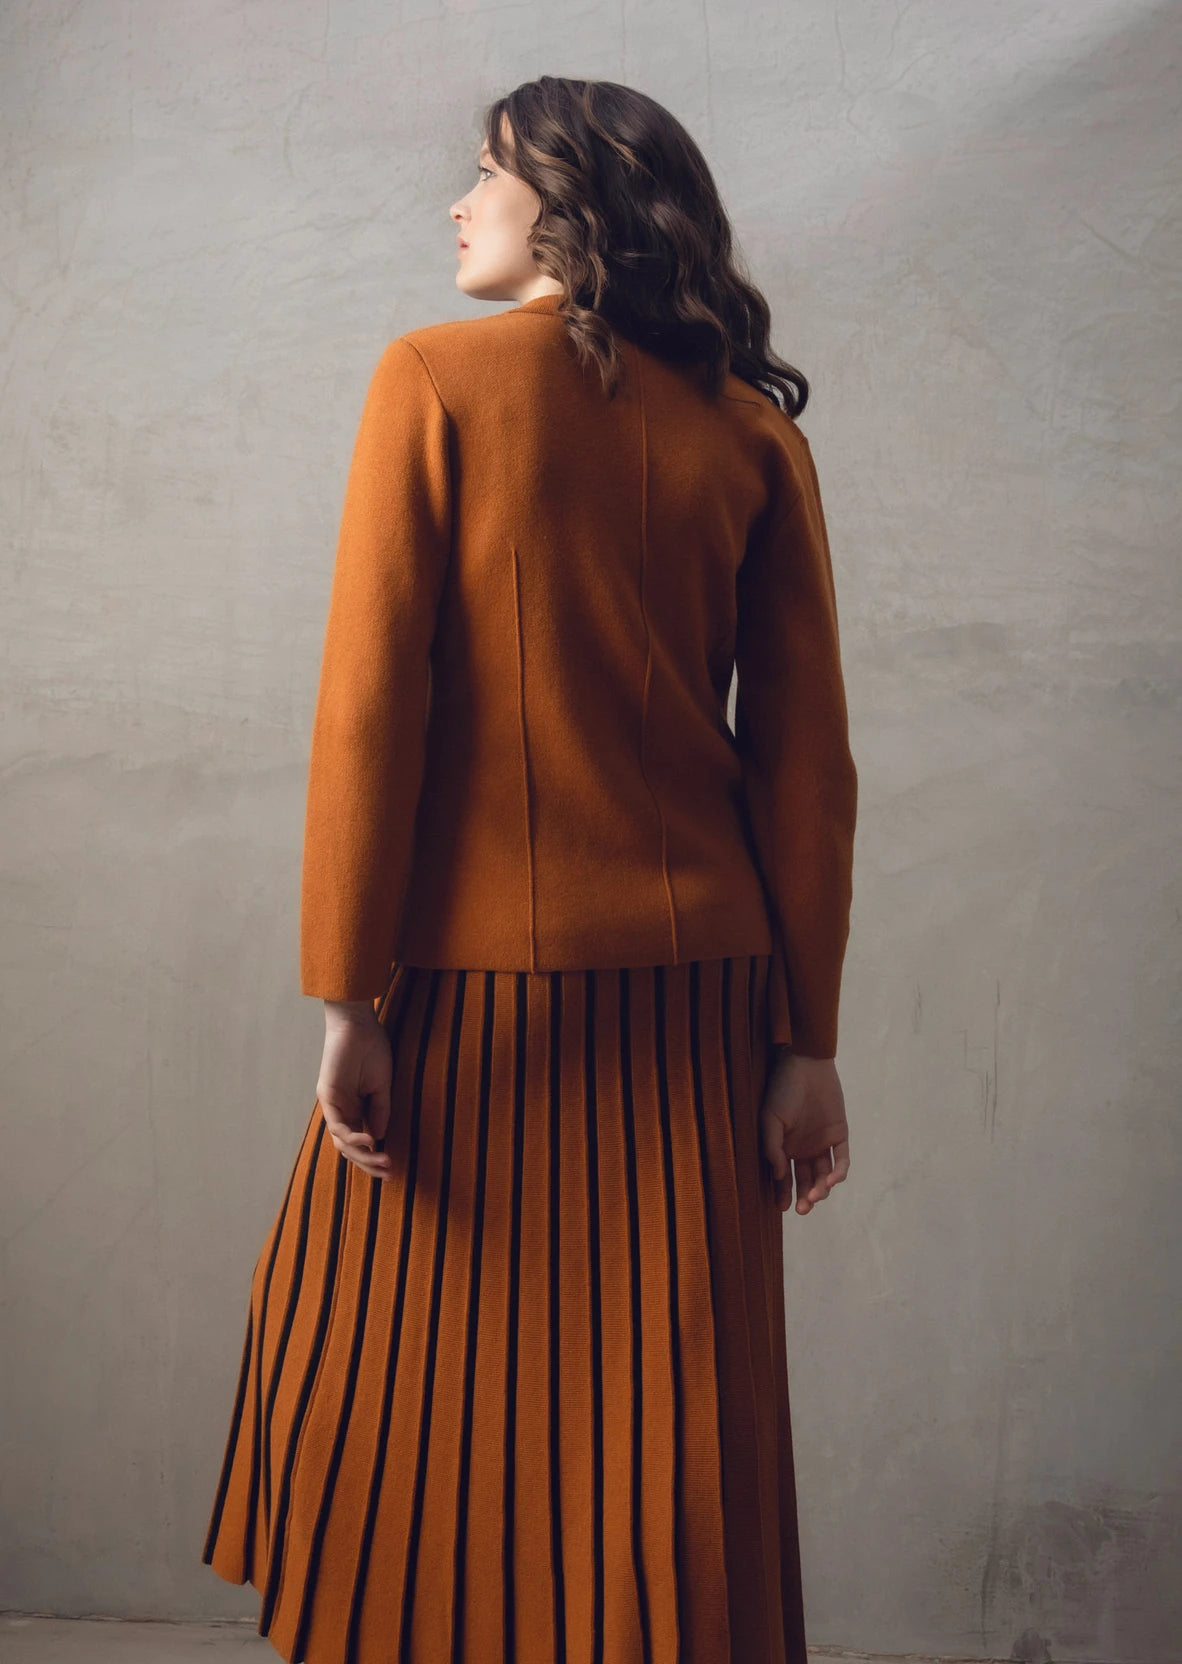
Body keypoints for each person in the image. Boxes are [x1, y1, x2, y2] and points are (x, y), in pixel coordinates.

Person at [201, 74, 857, 1664]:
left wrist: (348, 996)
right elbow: (805, 764)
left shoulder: (431, 376)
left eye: (483, 175)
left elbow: (373, 707)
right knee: (662, 1408)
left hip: (468, 991)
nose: (458, 203)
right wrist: (807, 1042)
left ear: (566, 202)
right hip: (702, 996)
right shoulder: (750, 435)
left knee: (387, 1390)